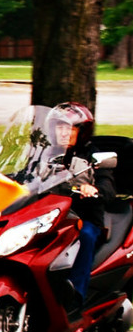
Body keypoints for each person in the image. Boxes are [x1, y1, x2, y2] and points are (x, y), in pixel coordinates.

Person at [47, 102, 115, 311]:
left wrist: (93, 189)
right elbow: (27, 174)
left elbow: (107, 187)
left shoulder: (93, 157)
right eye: (60, 127)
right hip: (52, 216)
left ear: (81, 132)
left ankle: (75, 295)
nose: (64, 133)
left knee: (85, 236)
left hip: (84, 218)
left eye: (70, 128)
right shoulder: (45, 155)